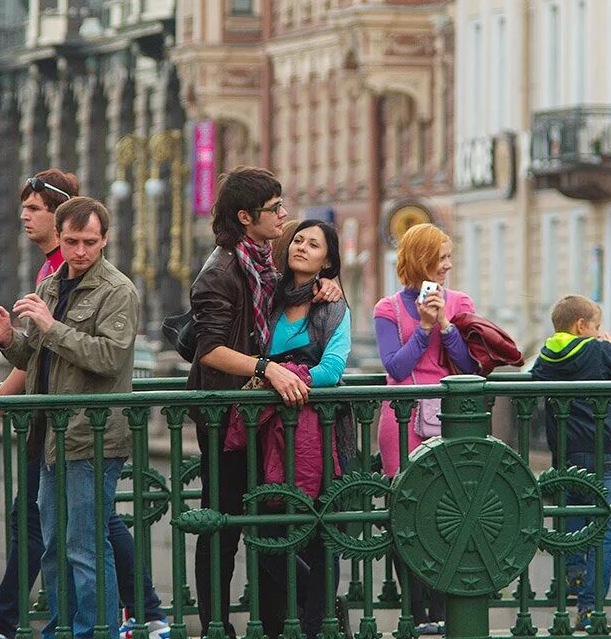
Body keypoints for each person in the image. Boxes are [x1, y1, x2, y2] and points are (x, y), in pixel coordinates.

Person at [0, 171, 169, 639]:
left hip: (92, 435)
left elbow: (109, 358)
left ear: (104, 239)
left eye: (90, 242)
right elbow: (35, 358)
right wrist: (8, 337)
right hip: (52, 432)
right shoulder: (53, 286)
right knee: (53, 544)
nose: (80, 251)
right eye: (72, 241)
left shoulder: (118, 291)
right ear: (63, 237)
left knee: (86, 546)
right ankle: (65, 627)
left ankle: (99, 630)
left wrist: (52, 329)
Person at [186, 167, 342, 637]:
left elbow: (287, 303)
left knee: (271, 517)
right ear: (245, 217)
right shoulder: (220, 272)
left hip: (262, 415)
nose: (284, 214)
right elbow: (210, 349)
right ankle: (217, 626)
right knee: (223, 524)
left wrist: (326, 288)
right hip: (224, 414)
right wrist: (265, 367)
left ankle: (279, 622)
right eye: (274, 208)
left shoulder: (262, 262)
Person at [225, 219, 351, 639]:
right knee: (265, 532)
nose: (301, 246)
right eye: (298, 238)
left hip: (319, 434)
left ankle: (317, 626)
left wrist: (287, 379)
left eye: (314, 244)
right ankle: (303, 611)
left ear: (327, 260)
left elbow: (333, 369)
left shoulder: (333, 306)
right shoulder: (269, 295)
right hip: (267, 432)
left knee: (319, 534)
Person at [373, 223, 479, 635]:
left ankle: (443, 607)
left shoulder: (460, 302)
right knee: (409, 510)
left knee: (450, 510)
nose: (449, 266)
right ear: (421, 260)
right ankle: (416, 611)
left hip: (450, 415)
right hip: (402, 420)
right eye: (442, 258)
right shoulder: (388, 308)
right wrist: (422, 327)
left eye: (450, 257)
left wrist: (446, 327)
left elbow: (469, 366)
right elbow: (396, 367)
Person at [530, 295, 611, 630]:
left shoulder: (547, 356)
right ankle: (590, 608)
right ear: (582, 326)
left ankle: (573, 570)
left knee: (571, 516)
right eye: (596, 326)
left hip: (568, 451)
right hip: (608, 448)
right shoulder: (599, 349)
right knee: (606, 528)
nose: (599, 332)